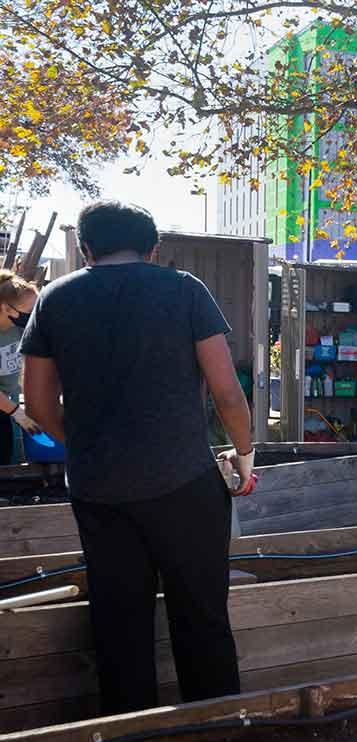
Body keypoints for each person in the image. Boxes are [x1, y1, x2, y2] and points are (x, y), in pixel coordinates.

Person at [21, 200, 257, 715]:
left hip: (96, 487)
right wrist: (243, 453)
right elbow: (227, 392)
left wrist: (85, 442)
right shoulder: (184, 290)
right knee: (200, 613)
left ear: (86, 248)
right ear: (153, 248)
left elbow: (37, 404)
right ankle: (214, 731)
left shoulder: (55, 300)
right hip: (185, 482)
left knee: (118, 619)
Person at [0, 269, 43, 466]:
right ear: (6, 308)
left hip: (7, 399)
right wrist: (18, 413)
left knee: (8, 452)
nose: (33, 316)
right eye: (28, 311)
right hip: (5, 403)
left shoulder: (19, 329)